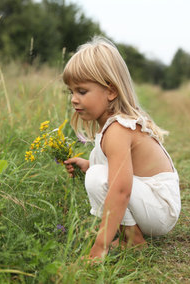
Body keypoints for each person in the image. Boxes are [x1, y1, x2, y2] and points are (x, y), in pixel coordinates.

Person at [63, 37, 181, 260]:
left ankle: (132, 239)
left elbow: (120, 189)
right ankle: (128, 235)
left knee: (99, 177)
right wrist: (87, 166)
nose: (74, 100)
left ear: (110, 91)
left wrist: (99, 247)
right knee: (96, 173)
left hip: (160, 208)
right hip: (151, 204)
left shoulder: (118, 129)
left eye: (82, 91)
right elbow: (118, 171)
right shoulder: (111, 126)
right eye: (70, 92)